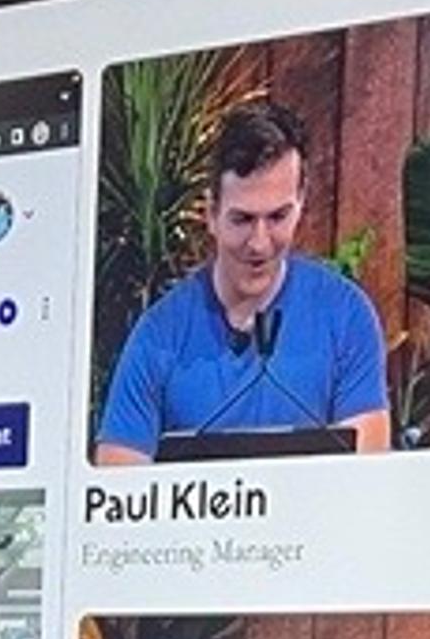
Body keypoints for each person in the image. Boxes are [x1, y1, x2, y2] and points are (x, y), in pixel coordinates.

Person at [94, 98, 392, 463]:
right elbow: (117, 487)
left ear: (301, 204)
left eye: (279, 217)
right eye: (243, 220)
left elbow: (365, 477)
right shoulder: (158, 335)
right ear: (211, 214)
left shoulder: (346, 315)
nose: (260, 243)